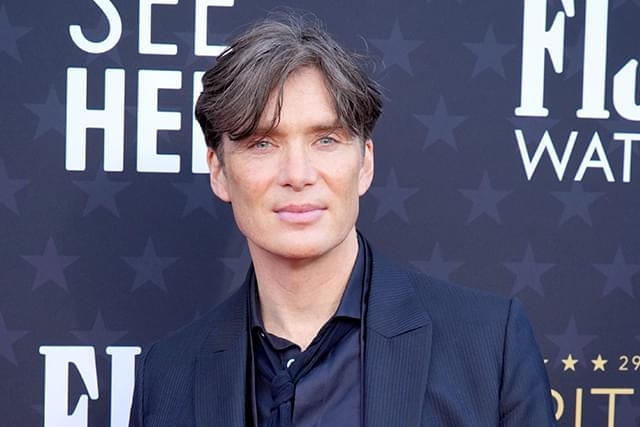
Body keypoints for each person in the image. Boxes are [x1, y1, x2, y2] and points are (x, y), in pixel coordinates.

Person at [129, 12, 556, 427]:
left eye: (326, 140)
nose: (298, 174)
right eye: (262, 143)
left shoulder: (489, 345)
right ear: (219, 171)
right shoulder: (165, 376)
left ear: (365, 163)